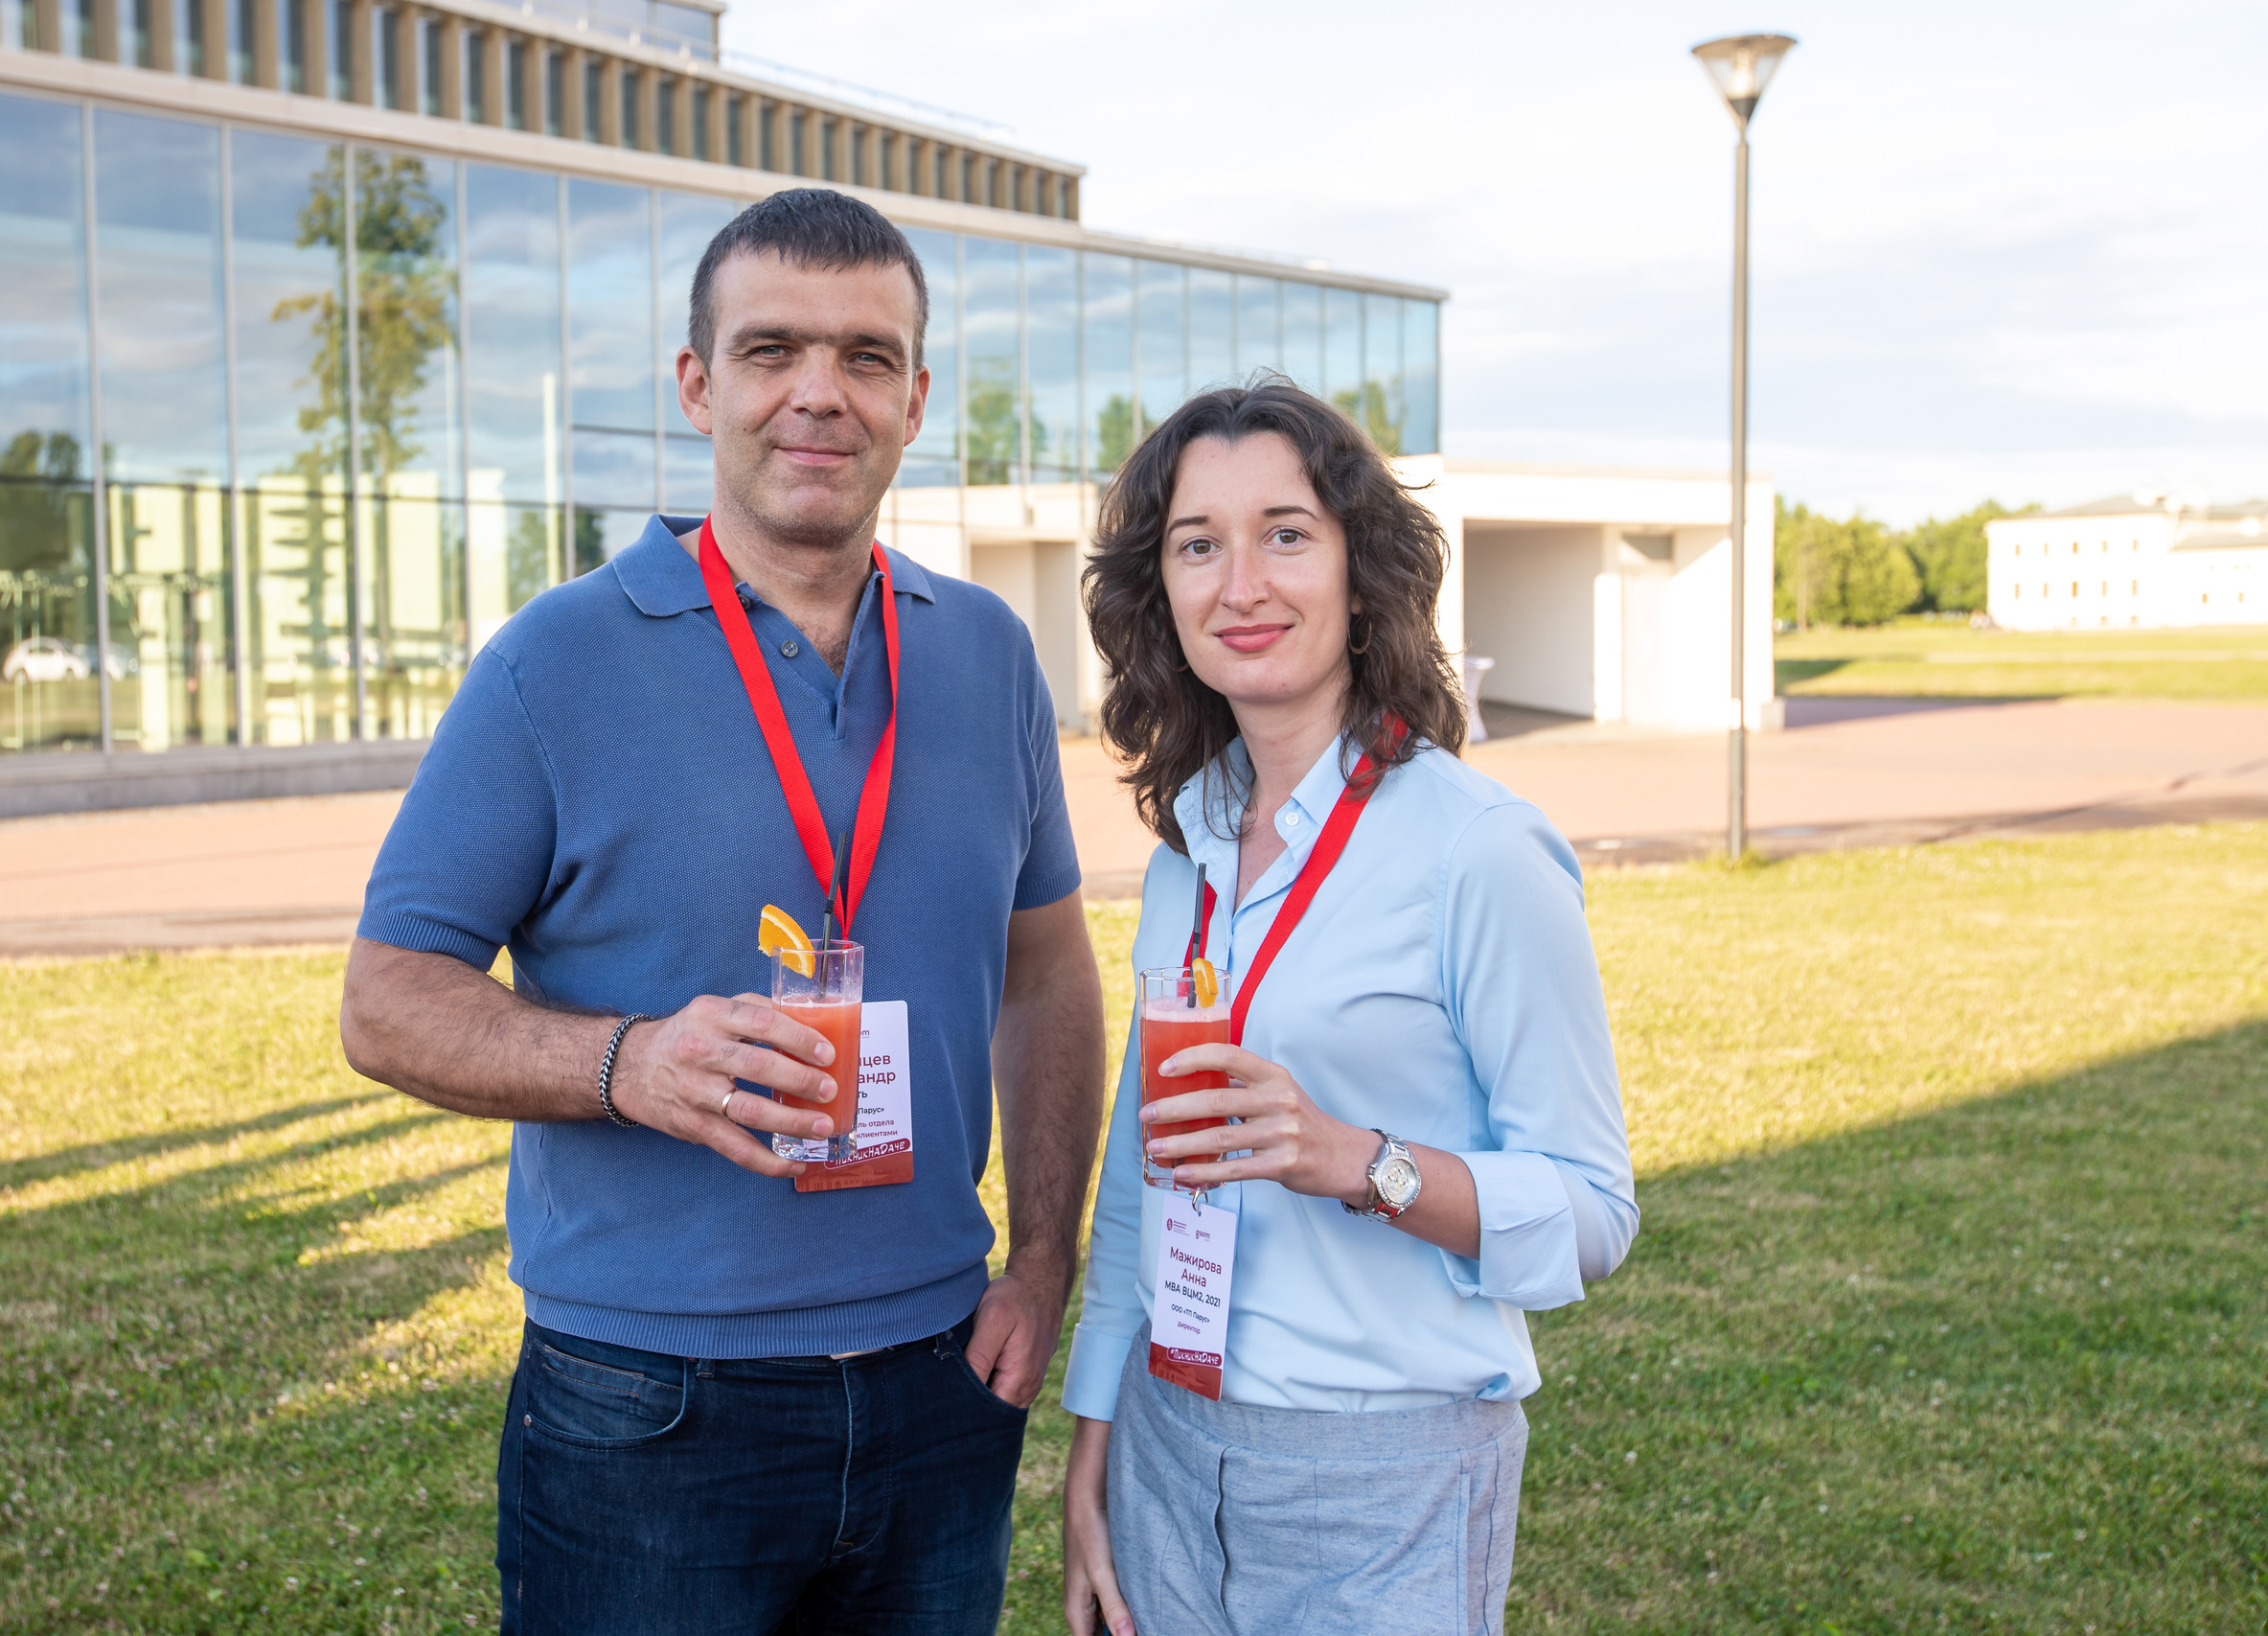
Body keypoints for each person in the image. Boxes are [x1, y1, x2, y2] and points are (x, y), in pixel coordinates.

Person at [340, 188, 1105, 1636]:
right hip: (649, 1408)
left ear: (917, 399)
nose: (820, 392)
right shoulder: (550, 665)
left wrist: (1046, 1259)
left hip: (944, 1379)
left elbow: (1047, 969)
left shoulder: (992, 655)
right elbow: (384, 1000)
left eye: (867, 357)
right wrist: (629, 1066)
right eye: (771, 349)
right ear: (698, 386)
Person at [1059, 380, 1637, 1636]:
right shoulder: (1187, 849)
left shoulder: (1477, 850)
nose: (1241, 583)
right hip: (1168, 1443)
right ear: (1159, 594)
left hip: (1387, 1480)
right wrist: (1096, 1428)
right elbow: (1137, 1173)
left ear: (1361, 573)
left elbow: (1596, 1214)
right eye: (1197, 545)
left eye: (1286, 533)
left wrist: (1355, 1162)